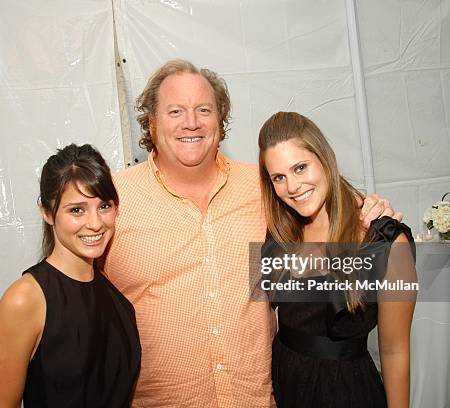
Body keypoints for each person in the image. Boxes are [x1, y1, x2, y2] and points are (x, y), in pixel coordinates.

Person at [104, 59, 401, 407]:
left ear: (221, 120)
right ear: (151, 123)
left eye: (204, 109)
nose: (192, 122)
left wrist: (368, 211)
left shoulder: (264, 189)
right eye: (175, 111)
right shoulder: (111, 200)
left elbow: (318, 200)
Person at [258, 111, 416, 407]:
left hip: (345, 392)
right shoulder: (280, 232)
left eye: (301, 168)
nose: (292, 187)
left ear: (324, 157)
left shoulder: (383, 242)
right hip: (286, 385)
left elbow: (395, 352)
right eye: (279, 177)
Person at [0, 144, 141, 408]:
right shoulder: (25, 300)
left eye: (104, 206)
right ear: (47, 213)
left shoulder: (113, 293)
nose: (95, 223)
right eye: (76, 210)